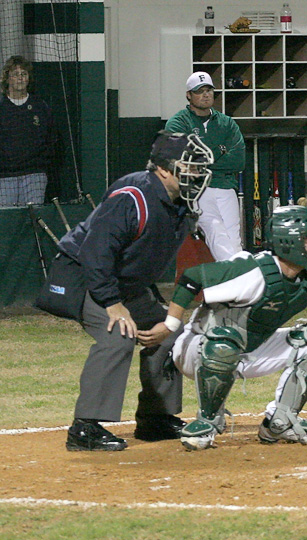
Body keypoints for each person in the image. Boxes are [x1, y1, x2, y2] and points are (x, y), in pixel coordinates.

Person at [137, 206, 307, 450]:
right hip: (200, 349)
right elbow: (193, 277)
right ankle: (207, 421)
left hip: (249, 348)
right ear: (289, 243)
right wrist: (171, 325)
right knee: (226, 340)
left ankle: (279, 421)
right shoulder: (253, 269)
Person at [58, 131, 214, 451]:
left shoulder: (180, 202)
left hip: (123, 284)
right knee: (119, 334)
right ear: (165, 170)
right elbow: (95, 252)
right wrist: (113, 304)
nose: (197, 175)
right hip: (83, 275)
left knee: (169, 332)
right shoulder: (132, 196)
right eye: (191, 167)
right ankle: (84, 427)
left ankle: (155, 418)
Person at [166, 71, 246, 261]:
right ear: (189, 95)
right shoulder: (178, 122)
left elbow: (238, 161)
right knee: (215, 230)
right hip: (197, 188)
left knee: (234, 238)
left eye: (209, 90)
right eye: (199, 91)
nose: (205, 95)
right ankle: (236, 276)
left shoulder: (227, 123)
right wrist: (220, 150)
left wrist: (205, 159)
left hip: (226, 186)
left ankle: (235, 281)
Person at [0, 55, 57, 206]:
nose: (20, 78)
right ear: (7, 79)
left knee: (33, 220)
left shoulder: (40, 106)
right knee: (8, 221)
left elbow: (51, 139)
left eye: (24, 74)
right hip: (5, 177)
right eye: (15, 74)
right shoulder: (2, 107)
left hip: (34, 175)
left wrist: (41, 163)